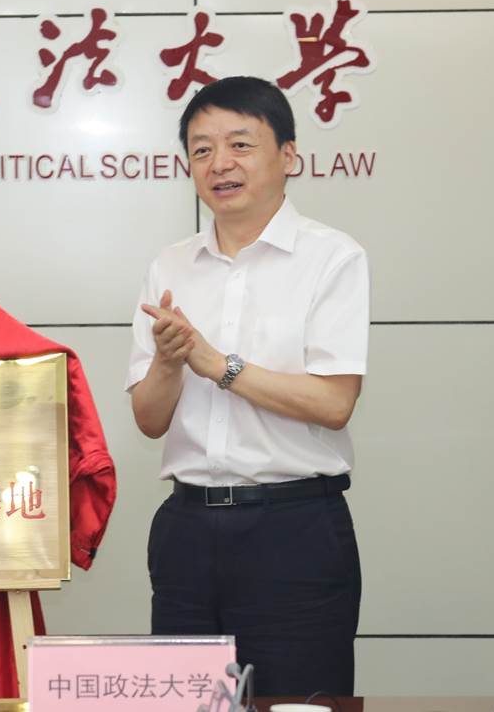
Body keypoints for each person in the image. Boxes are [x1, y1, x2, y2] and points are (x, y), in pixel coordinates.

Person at [126, 76, 368, 697]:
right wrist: (170, 363)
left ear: (288, 155)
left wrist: (218, 365)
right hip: (185, 530)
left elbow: (334, 403)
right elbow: (149, 420)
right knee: (184, 705)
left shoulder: (331, 258)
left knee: (297, 703)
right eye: (202, 149)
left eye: (240, 144)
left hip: (293, 530)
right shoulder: (169, 265)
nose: (220, 164)